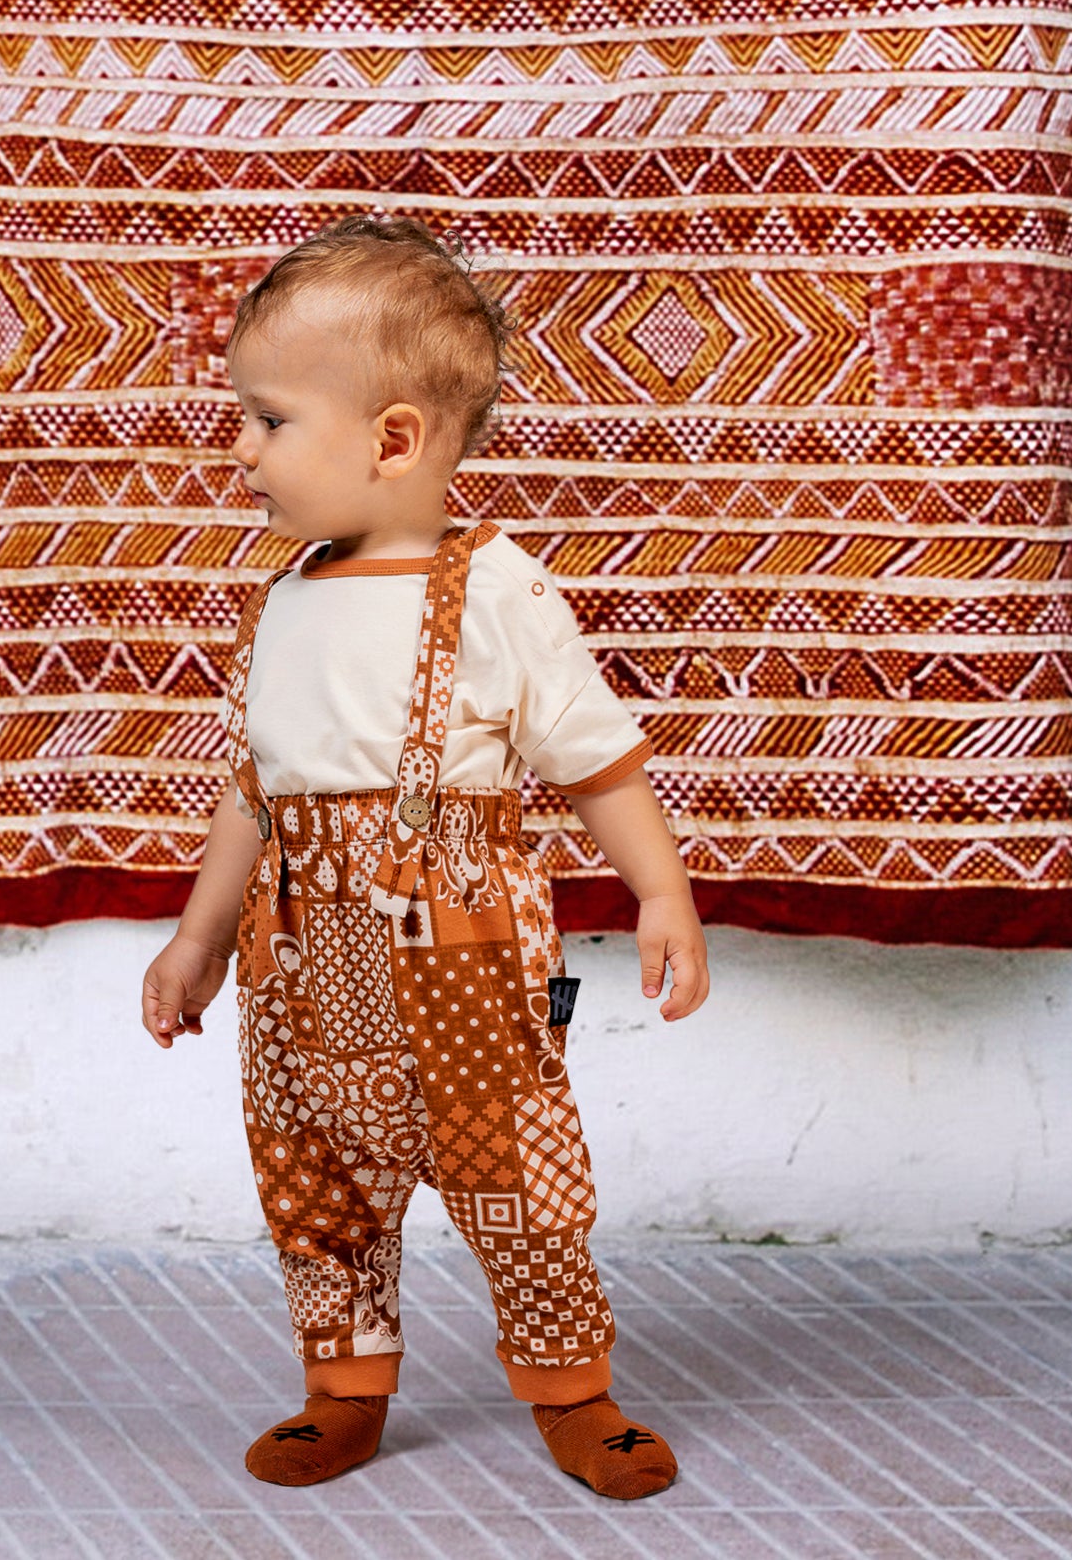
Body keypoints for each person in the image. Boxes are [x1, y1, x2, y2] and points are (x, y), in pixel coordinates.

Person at [141, 215, 709, 1499]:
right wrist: (198, 937)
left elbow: (595, 756)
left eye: (269, 419)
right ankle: (343, 1385)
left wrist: (661, 888)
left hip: (457, 947)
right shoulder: (284, 599)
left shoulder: (497, 586)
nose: (241, 449)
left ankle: (577, 1389)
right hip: (299, 953)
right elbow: (254, 786)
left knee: (515, 1167)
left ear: (394, 438)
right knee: (316, 1167)